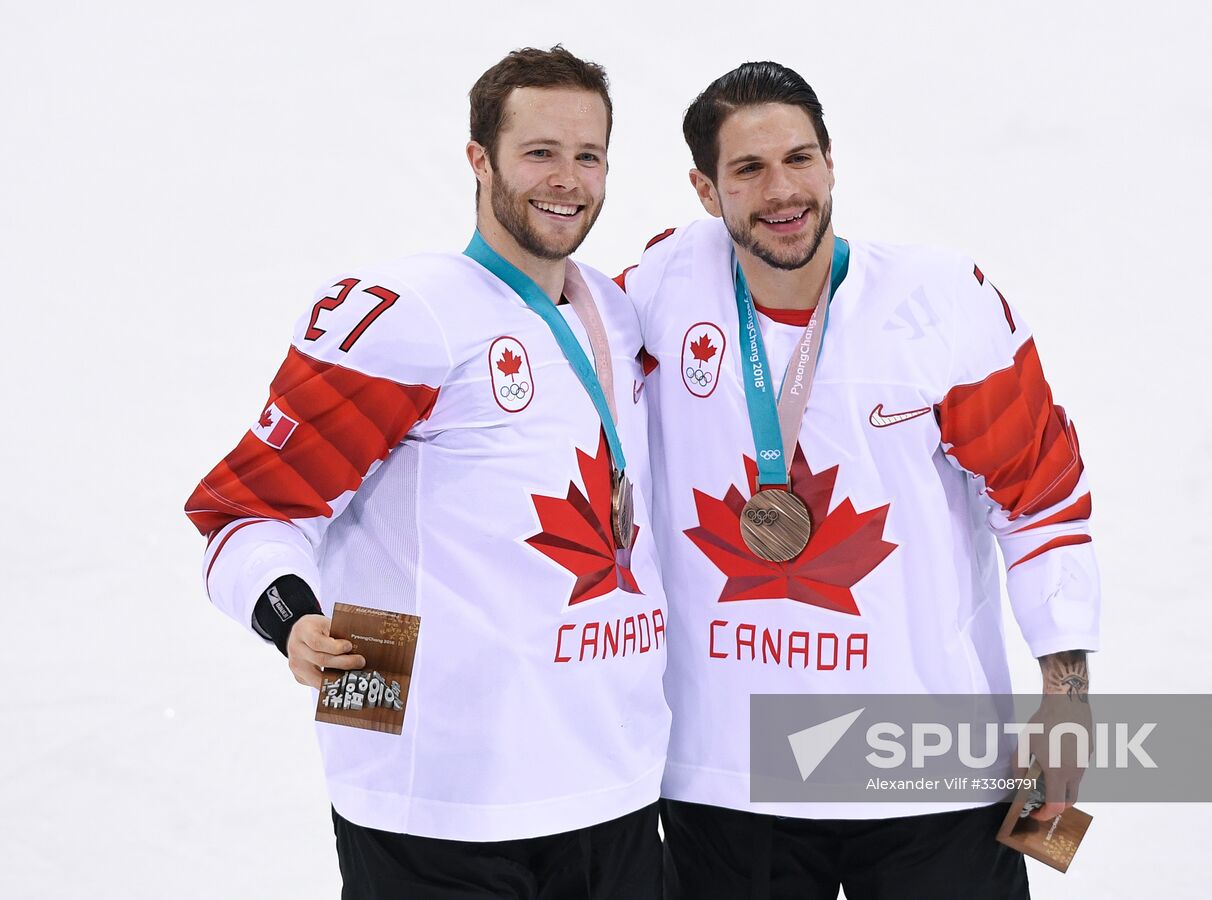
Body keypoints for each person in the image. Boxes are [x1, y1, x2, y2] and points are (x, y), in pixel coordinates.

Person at [185, 46, 669, 898]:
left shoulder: (619, 312)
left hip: (610, 779)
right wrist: (294, 621)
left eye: (587, 155)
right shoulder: (407, 316)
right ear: (479, 160)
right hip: (430, 803)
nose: (567, 178)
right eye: (539, 152)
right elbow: (247, 513)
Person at [616, 62, 1101, 898]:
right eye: (749, 170)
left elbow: (1040, 497)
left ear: (832, 161)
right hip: (728, 779)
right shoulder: (662, 287)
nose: (782, 191)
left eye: (800, 159)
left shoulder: (940, 300)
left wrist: (1065, 693)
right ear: (704, 189)